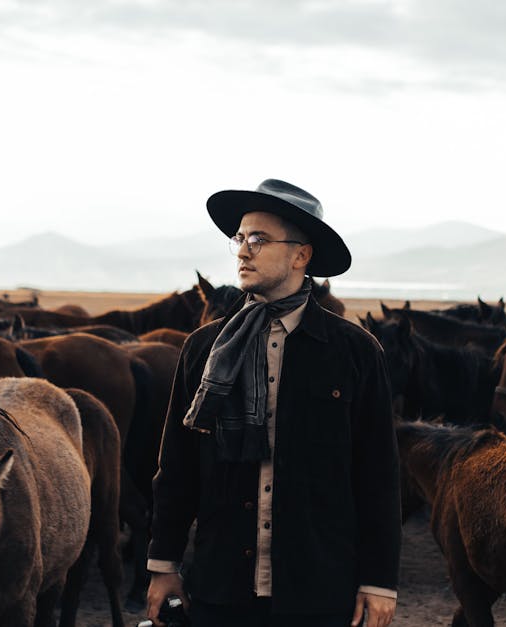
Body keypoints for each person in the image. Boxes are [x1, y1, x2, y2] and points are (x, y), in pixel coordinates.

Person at [146, 179, 401, 627]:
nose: (243, 251)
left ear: (301, 255)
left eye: (258, 239)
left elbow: (377, 474)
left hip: (318, 591)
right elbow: (178, 466)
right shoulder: (204, 348)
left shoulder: (355, 352)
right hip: (220, 589)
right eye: (239, 238)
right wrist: (163, 564)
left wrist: (379, 581)